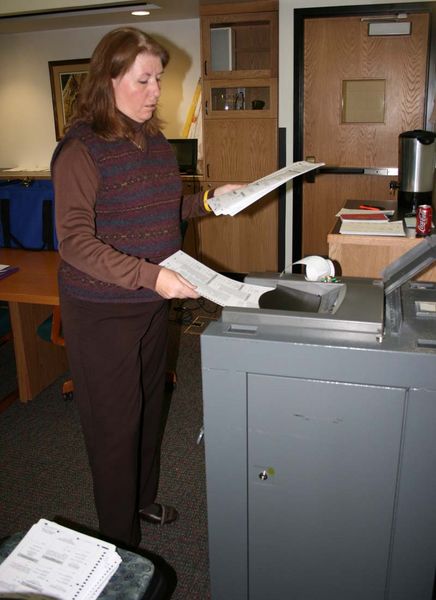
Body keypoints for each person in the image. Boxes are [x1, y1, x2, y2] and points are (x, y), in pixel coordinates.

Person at [52, 26, 240, 549]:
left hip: (153, 304)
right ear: (108, 80)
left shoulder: (155, 142)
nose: (156, 90)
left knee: (150, 407)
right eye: (144, 80)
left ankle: (142, 500)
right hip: (101, 311)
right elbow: (74, 243)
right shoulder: (80, 151)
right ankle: (119, 544)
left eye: (159, 78)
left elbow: (165, 209)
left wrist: (208, 201)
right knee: (115, 429)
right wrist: (151, 275)